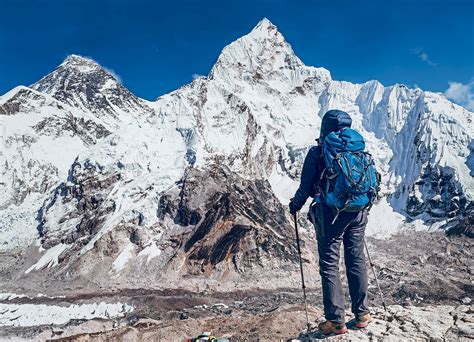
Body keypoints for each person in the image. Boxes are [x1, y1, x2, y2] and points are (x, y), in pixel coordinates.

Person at [289, 109, 373, 335]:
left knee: (329, 265)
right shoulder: (358, 149)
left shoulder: (318, 153)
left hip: (330, 215)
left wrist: (295, 206)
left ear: (324, 129)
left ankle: (336, 321)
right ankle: (362, 314)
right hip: (358, 211)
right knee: (356, 259)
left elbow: (305, 189)